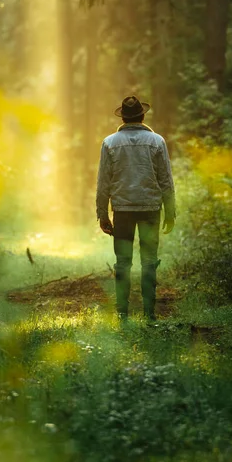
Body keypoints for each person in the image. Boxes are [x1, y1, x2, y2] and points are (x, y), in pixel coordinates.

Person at [96, 95, 176, 321]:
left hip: (122, 210)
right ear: (142, 116)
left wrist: (103, 214)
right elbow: (166, 180)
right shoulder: (157, 141)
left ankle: (123, 314)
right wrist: (170, 211)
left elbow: (103, 182)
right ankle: (149, 314)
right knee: (149, 261)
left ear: (123, 116)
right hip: (151, 209)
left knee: (123, 262)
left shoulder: (109, 143)